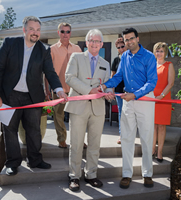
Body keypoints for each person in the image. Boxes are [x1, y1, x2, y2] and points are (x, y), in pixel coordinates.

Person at [0, 16, 67, 176]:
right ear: (24, 29)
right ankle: (12, 163)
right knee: (10, 130)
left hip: (33, 97)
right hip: (9, 97)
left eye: (38, 30)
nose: (35, 33)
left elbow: (50, 73)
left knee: (34, 130)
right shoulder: (10, 44)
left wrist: (58, 89)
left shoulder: (44, 50)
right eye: (32, 29)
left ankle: (35, 160)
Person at [99, 27, 158, 189]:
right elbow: (118, 77)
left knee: (146, 138)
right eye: (126, 39)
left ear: (137, 39)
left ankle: (148, 174)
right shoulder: (124, 56)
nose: (129, 41)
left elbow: (152, 82)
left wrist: (135, 94)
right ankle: (126, 174)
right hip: (127, 100)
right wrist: (105, 85)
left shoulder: (149, 57)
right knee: (126, 138)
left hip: (145, 99)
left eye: (131, 38)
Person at [65, 29, 112, 191]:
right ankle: (74, 176)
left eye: (98, 41)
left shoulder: (105, 63)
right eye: (91, 40)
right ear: (86, 43)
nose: (94, 43)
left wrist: (109, 92)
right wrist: (89, 90)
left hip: (98, 109)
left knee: (94, 143)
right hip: (78, 107)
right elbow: (69, 77)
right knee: (76, 143)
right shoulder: (76, 57)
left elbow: (107, 84)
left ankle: (91, 174)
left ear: (101, 44)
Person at [44, 22, 82, 149]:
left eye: (68, 31)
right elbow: (47, 71)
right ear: (58, 32)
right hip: (59, 89)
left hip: (76, 90)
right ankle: (61, 140)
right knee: (58, 116)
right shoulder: (51, 49)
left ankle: (79, 140)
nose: (65, 34)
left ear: (71, 33)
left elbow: (83, 70)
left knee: (77, 116)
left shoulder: (77, 49)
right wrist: (47, 89)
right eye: (62, 31)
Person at [152, 42, 175, 163]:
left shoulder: (169, 65)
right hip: (152, 99)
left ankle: (159, 151)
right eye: (157, 51)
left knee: (161, 126)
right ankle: (152, 150)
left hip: (163, 99)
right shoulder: (151, 65)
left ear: (165, 52)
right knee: (153, 126)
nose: (159, 53)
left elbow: (170, 83)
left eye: (161, 51)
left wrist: (160, 96)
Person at [111, 37, 127, 144]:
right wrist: (112, 91)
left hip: (130, 92)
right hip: (119, 91)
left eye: (122, 46)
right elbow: (113, 76)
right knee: (121, 113)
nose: (121, 49)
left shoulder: (132, 58)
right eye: (118, 47)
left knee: (130, 114)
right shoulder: (116, 60)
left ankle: (129, 135)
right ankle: (122, 136)